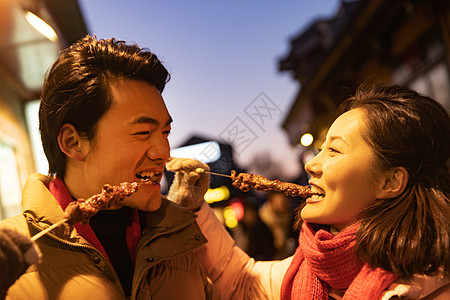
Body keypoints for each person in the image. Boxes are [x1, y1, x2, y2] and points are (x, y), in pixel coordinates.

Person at [167, 85, 450, 299]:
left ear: (389, 183)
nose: (312, 164)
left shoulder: (431, 288)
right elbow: (243, 280)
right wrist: (193, 210)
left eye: (335, 150)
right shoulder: (310, 267)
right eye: (321, 149)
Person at [0, 35, 217, 300]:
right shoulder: (12, 262)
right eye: (144, 132)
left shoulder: (178, 241)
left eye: (166, 132)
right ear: (73, 142)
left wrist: (185, 217)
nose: (164, 153)